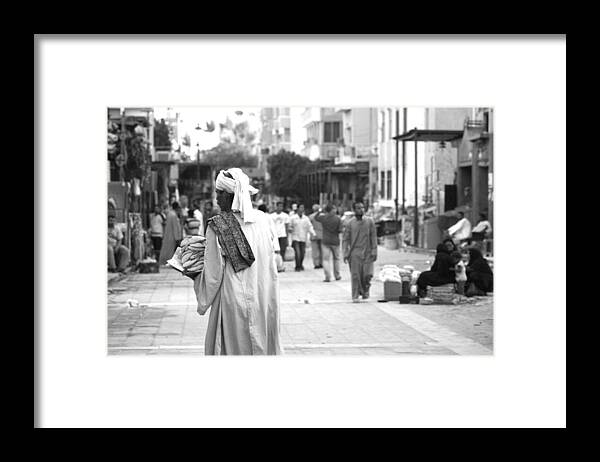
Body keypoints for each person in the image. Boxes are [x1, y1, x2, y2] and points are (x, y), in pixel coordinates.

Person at [193, 168, 282, 355]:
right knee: (261, 344)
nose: (216, 198)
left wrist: (193, 275)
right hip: (262, 294)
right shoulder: (264, 220)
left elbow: (213, 274)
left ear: (231, 195)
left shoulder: (217, 226)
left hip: (232, 298)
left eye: (220, 193)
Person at [342, 202, 377, 302]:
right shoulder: (350, 223)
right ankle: (355, 295)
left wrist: (374, 250)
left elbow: (373, 236)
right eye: (358, 208)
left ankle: (365, 290)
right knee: (355, 275)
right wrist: (345, 252)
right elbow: (345, 239)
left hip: (368, 252)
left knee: (367, 274)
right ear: (354, 210)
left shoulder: (370, 221)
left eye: (362, 208)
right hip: (355, 253)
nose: (361, 210)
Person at [315, 203, 343, 282]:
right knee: (336, 259)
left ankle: (328, 276)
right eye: (334, 208)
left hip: (326, 241)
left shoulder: (323, 218)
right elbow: (340, 230)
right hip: (335, 241)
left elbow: (315, 217)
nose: (335, 210)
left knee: (325, 259)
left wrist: (320, 211)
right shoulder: (338, 219)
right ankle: (337, 275)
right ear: (331, 210)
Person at [288, 204, 316, 271]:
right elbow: (289, 226)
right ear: (297, 209)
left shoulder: (306, 218)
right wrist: (290, 229)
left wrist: (313, 234)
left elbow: (310, 226)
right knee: (297, 252)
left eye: (303, 208)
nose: (302, 209)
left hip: (303, 237)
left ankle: (300, 264)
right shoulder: (293, 218)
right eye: (300, 208)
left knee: (302, 253)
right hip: (295, 237)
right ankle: (297, 266)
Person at [270, 201, 290, 270]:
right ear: (276, 206)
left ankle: (282, 265)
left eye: (281, 206)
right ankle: (275, 265)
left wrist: (287, 236)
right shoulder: (272, 216)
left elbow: (287, 226)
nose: (280, 208)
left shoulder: (285, 216)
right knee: (275, 251)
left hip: (283, 235)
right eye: (279, 206)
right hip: (275, 236)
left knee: (282, 251)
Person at [308, 204, 323, 269]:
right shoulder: (323, 216)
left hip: (314, 234)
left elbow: (309, 226)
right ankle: (321, 263)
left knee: (315, 250)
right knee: (322, 250)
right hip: (322, 234)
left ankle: (316, 263)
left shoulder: (311, 216)